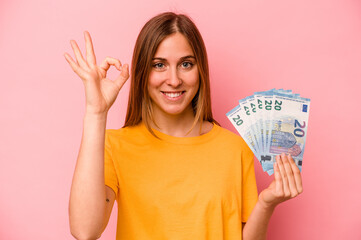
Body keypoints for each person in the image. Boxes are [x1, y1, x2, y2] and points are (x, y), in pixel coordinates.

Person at [64, 12, 303, 240]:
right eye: (159, 65)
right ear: (141, 73)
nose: (174, 79)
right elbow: (85, 231)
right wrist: (96, 113)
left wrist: (266, 203)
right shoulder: (115, 145)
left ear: (200, 70)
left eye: (186, 64)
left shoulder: (235, 149)